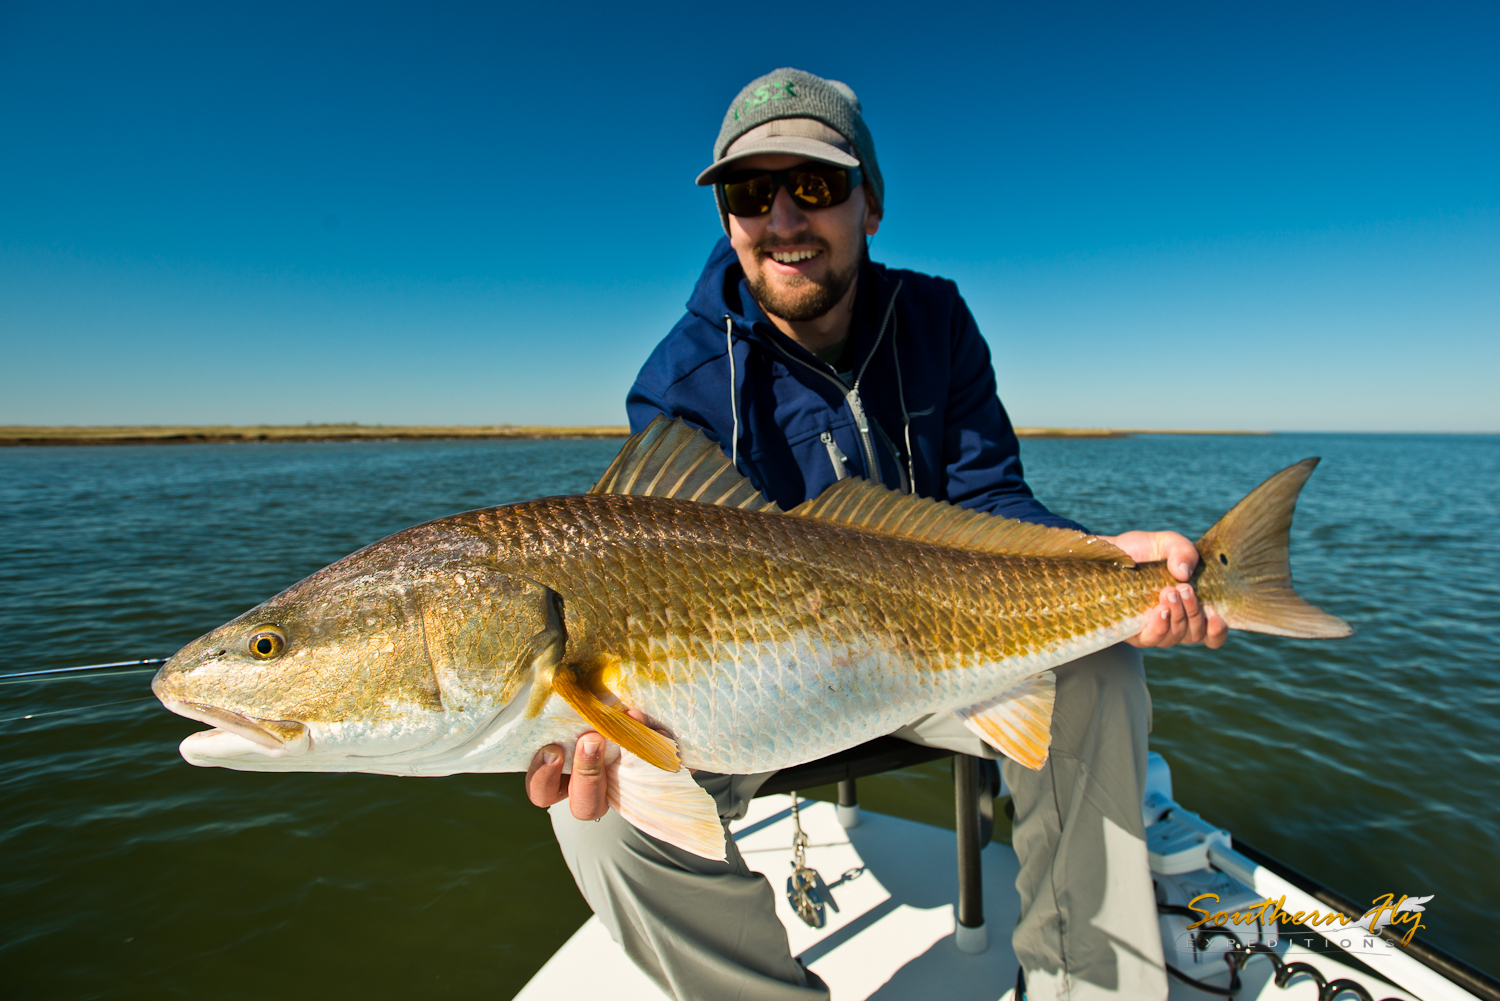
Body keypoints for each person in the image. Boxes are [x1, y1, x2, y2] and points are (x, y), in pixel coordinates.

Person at [526, 68, 1226, 1001]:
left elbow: (993, 502)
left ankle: (1088, 987)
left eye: (813, 185)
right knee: (598, 814)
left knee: (1102, 668)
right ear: (727, 218)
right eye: (749, 192)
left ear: (873, 204)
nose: (781, 218)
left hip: (942, 648)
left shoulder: (934, 319)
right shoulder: (678, 381)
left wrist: (1104, 560)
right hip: (747, 694)